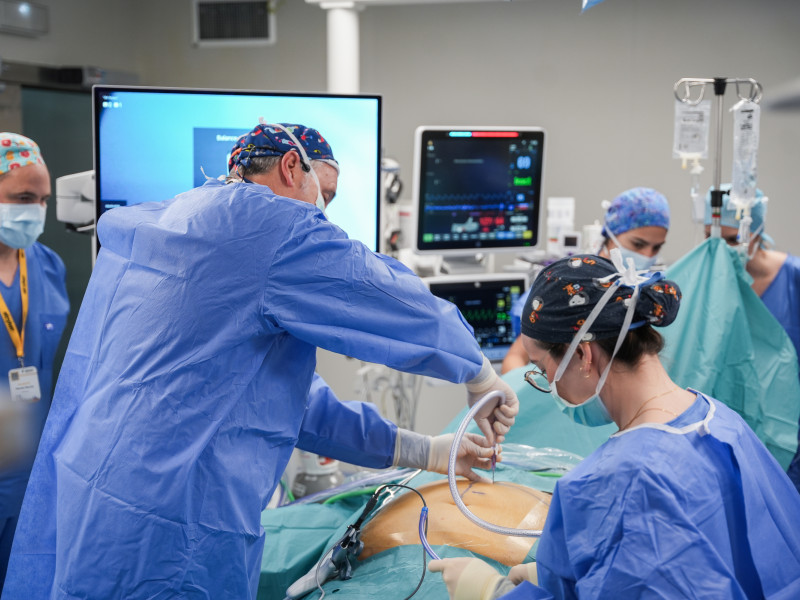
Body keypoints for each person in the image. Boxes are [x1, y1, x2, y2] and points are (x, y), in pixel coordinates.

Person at [2, 122, 519, 599]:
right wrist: (479, 371)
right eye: (326, 196)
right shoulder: (269, 227)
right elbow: (389, 298)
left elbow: (278, 398)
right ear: (293, 168)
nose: (323, 217)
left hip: (94, 501)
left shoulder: (171, 226)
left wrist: (422, 449)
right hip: (170, 523)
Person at [430, 253, 800, 599]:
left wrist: (491, 590)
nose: (547, 384)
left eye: (542, 370)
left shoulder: (619, 481)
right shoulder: (721, 420)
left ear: (582, 354)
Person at [0, 133, 68, 594]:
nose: (35, 212)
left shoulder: (46, 265)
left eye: (42, 200)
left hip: (33, 474)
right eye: (22, 198)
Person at [501, 187, 669, 373]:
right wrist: (540, 394)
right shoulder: (572, 283)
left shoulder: (652, 295)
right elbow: (516, 358)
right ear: (610, 233)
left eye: (657, 248)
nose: (647, 255)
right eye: (638, 244)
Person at [704, 183, 800, 493]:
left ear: (756, 229)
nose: (720, 249)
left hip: (790, 433)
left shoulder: (793, 279)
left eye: (732, 240)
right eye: (711, 239)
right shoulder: (711, 283)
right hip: (729, 431)